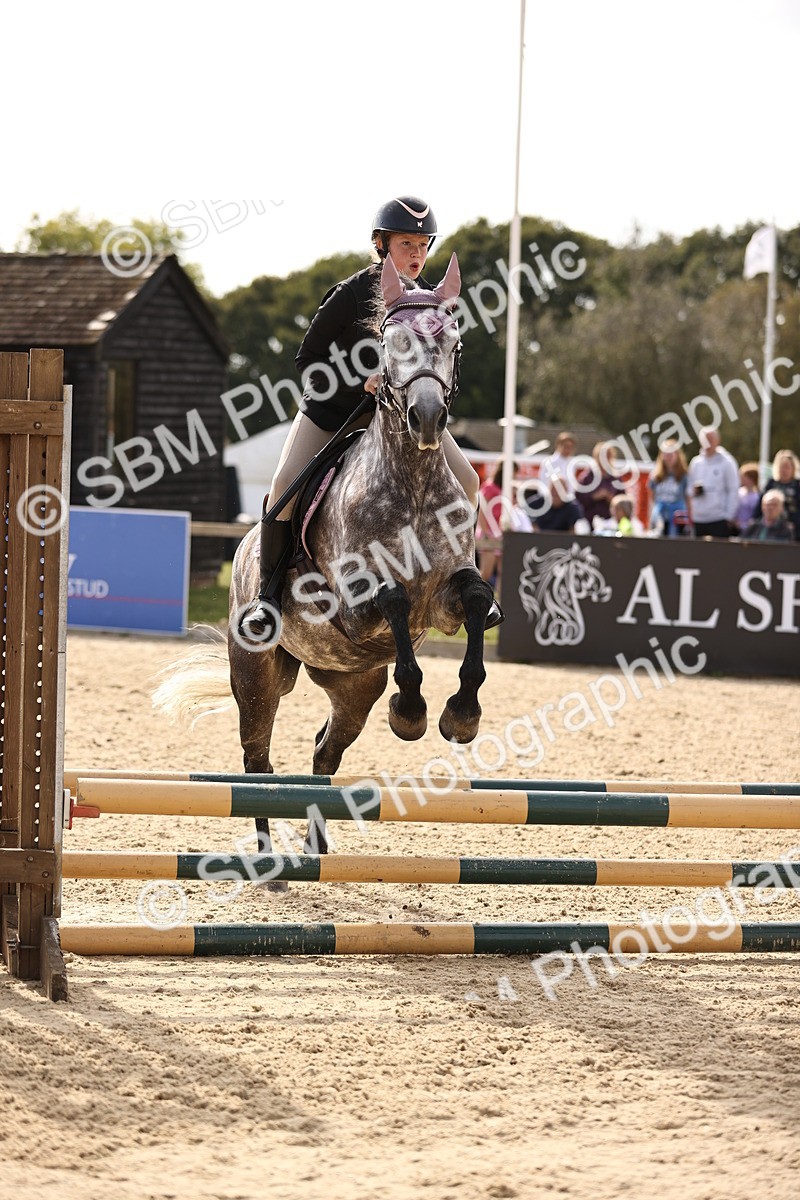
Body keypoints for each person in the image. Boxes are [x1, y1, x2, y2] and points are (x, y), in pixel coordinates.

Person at [242, 196, 501, 637]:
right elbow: (307, 359)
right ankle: (267, 597)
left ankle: (465, 574)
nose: (416, 254)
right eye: (406, 243)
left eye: (423, 244)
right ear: (382, 245)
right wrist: (356, 382)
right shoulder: (352, 293)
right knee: (284, 485)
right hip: (333, 413)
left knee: (471, 481)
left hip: (398, 420)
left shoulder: (427, 301)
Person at [686, 427, 739, 538]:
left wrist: (728, 516)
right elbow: (689, 489)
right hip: (699, 518)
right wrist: (694, 491)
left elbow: (733, 490)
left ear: (717, 440)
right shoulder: (696, 463)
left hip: (719, 518)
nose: (707, 442)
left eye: (710, 439)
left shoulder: (727, 462)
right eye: (705, 439)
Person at [753, 448, 800, 541]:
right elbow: (760, 504)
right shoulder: (771, 483)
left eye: (787, 467)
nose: (784, 471)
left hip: (793, 527)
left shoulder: (797, 485)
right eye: (782, 467)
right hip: (771, 526)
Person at [576, 441, 624, 527]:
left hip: (610, 522)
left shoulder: (616, 478)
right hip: (588, 521)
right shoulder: (587, 477)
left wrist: (612, 499)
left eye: (608, 456)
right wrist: (594, 497)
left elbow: (623, 499)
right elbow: (578, 499)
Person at [648, 439, 690, 536]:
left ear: (677, 455)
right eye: (666, 454)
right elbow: (652, 499)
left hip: (678, 518)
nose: (668, 457)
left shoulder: (683, 475)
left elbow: (688, 499)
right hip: (660, 517)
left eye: (671, 454)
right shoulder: (655, 476)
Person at [732, 462, 761, 536]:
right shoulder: (739, 492)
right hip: (734, 527)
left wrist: (743, 525)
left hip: (747, 530)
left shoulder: (756, 496)